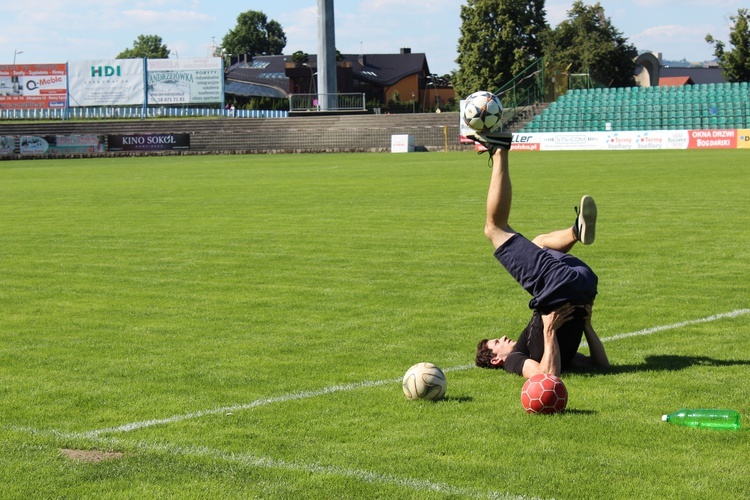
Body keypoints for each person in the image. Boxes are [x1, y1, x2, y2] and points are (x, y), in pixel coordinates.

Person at [468, 131, 610, 379]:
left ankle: (576, 230)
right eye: (496, 342)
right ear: (496, 359)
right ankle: (499, 150)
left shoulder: (529, 349)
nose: (502, 337)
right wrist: (550, 331)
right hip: (560, 287)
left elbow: (599, 367)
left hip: (584, 284)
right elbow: (547, 376)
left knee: (538, 243)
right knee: (494, 228)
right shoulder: (514, 360)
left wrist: (584, 326)